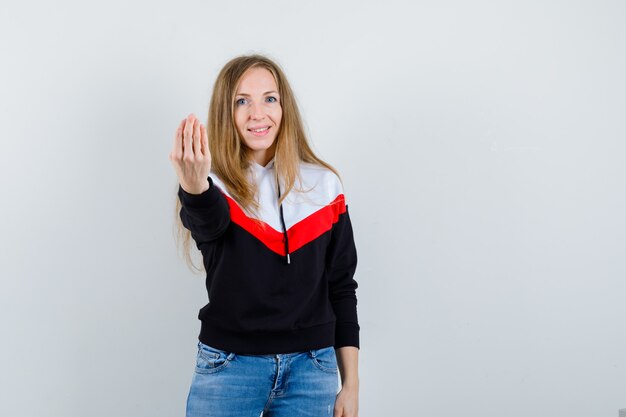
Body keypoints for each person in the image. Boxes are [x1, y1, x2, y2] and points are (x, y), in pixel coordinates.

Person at [169, 53, 360, 417]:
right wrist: (194, 188)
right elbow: (206, 226)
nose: (258, 113)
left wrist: (351, 384)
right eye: (242, 101)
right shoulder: (214, 187)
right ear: (227, 113)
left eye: (269, 98)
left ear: (284, 107)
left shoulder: (324, 185)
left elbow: (341, 286)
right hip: (229, 368)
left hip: (312, 371)